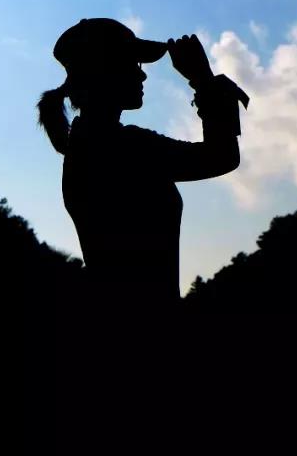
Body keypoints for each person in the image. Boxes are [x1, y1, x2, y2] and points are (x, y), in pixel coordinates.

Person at [36, 18, 248, 323]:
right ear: (105, 71)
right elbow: (222, 156)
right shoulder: (123, 147)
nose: (142, 74)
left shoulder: (88, 147)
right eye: (133, 63)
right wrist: (203, 81)